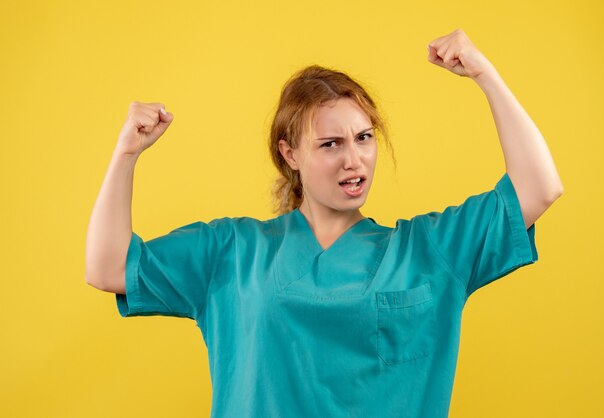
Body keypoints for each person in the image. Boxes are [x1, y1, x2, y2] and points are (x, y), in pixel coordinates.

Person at [85, 28, 563, 418]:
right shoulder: (231, 252)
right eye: (330, 144)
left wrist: (486, 76)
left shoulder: (428, 250)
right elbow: (108, 269)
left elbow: (540, 188)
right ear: (289, 154)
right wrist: (126, 153)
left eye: (363, 138)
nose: (353, 159)